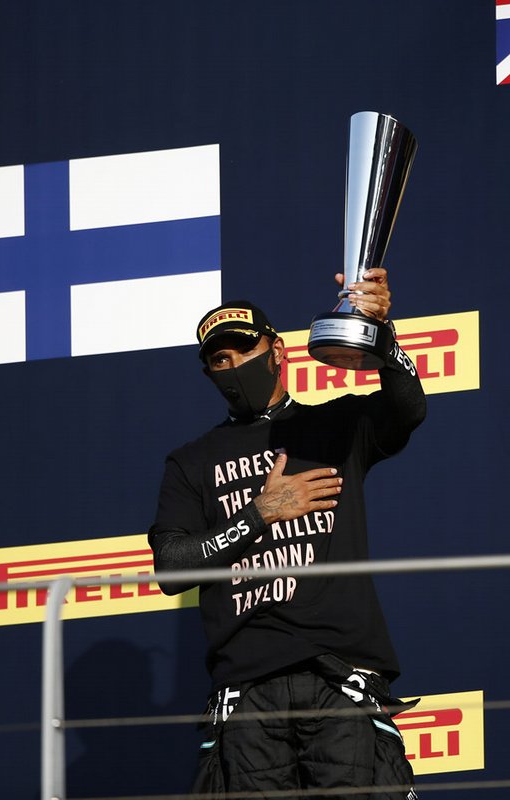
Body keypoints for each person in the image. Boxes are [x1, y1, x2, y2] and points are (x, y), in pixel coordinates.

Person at [148, 267, 424, 800]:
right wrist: (259, 514)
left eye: (243, 352)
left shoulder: (335, 425)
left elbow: (409, 408)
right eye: (218, 361)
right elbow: (172, 567)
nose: (231, 367)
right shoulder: (190, 462)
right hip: (246, 693)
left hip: (340, 679)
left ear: (278, 351)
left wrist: (380, 333)